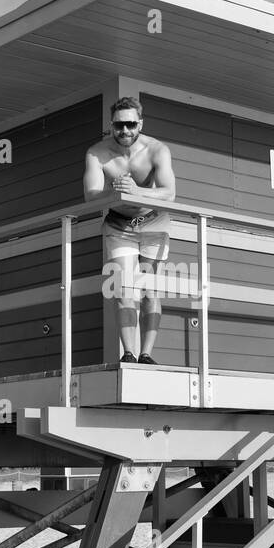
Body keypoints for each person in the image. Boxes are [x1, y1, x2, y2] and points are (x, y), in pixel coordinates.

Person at [83, 97, 176, 364]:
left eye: (131, 124)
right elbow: (91, 195)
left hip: (154, 222)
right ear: (111, 125)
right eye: (119, 125)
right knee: (124, 288)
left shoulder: (157, 150)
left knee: (150, 291)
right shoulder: (97, 153)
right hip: (119, 224)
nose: (125, 131)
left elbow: (169, 193)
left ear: (140, 123)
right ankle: (128, 353)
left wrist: (138, 192)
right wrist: (114, 192)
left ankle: (146, 353)